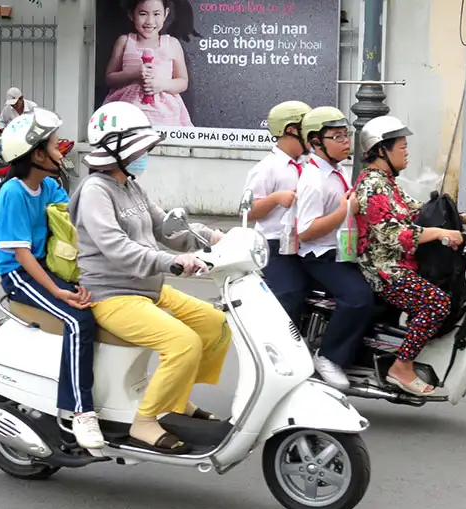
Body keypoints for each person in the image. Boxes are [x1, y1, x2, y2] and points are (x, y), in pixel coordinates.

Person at [70, 101, 229, 455]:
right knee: (183, 342)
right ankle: (144, 422)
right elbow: (116, 247)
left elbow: (168, 228)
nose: (146, 153)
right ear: (116, 146)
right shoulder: (96, 191)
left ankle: (177, 400)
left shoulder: (131, 185)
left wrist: (216, 237)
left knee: (214, 323)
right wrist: (171, 262)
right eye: (140, 147)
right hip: (112, 295)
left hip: (147, 290)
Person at [0, 108, 104, 449]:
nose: (61, 150)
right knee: (78, 318)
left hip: (46, 268)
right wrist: (60, 292)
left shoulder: (49, 186)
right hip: (20, 274)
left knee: (96, 303)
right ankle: (81, 411)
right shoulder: (14, 193)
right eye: (53, 145)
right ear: (37, 154)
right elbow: (21, 254)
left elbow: (75, 223)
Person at [354, 115, 466, 396]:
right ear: (381, 149)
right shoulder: (372, 186)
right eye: (402, 146)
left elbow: (416, 212)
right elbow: (391, 233)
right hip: (383, 269)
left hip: (400, 263)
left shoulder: (387, 183)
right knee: (436, 302)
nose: (406, 152)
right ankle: (402, 365)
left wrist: (460, 219)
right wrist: (436, 233)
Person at [295, 106, 375, 390]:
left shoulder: (335, 170)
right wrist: (344, 212)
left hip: (342, 249)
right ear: (316, 142)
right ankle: (328, 356)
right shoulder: (313, 180)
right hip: (321, 255)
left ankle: (361, 354)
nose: (345, 142)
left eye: (346, 135)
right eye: (337, 137)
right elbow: (304, 231)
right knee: (358, 297)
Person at [243, 100, 312, 324]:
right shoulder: (267, 168)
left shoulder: (309, 165)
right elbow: (248, 211)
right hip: (273, 244)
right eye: (308, 128)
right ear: (291, 130)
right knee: (289, 292)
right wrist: (275, 198)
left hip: (305, 240)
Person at [103, 0, 198, 127]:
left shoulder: (172, 44)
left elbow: (182, 82)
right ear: (131, 15)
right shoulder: (125, 42)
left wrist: (160, 85)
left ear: (165, 14)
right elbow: (110, 78)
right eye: (143, 14)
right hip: (127, 112)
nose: (150, 21)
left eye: (156, 14)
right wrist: (134, 74)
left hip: (163, 115)